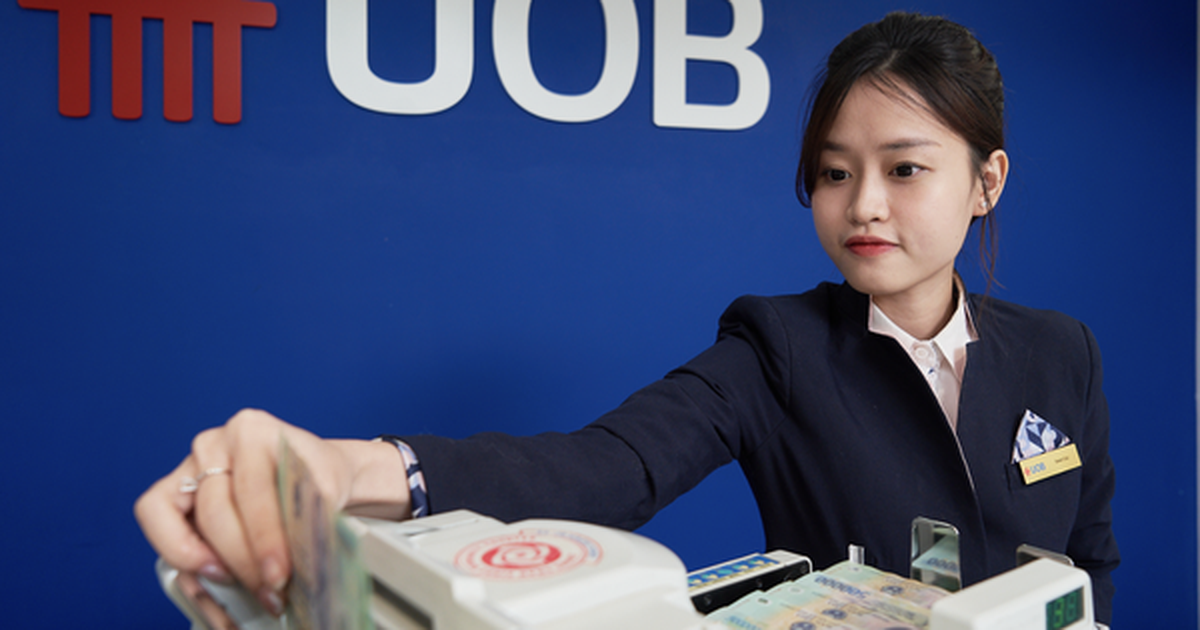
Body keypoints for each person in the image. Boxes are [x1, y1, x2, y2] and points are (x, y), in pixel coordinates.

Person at [135, 11, 1119, 625]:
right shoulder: (778, 347)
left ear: (985, 181)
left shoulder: (1061, 351)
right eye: (833, 172)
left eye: (904, 168)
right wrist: (349, 469)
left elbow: (1091, 557)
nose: (862, 204)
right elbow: (604, 469)